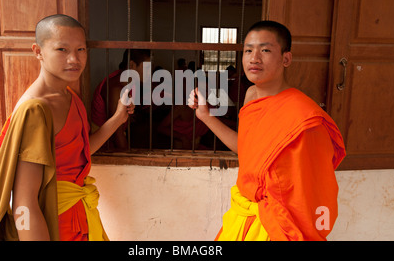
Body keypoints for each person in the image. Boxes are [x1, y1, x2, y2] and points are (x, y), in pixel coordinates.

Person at [0, 14, 134, 241]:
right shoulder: (35, 111)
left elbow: (81, 152)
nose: (74, 59)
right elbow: (24, 204)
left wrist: (117, 118)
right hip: (50, 227)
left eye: (81, 50)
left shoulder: (70, 97)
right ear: (38, 51)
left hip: (80, 217)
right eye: (62, 50)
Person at [188, 20, 346, 241]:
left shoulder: (304, 119)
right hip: (243, 214)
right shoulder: (251, 95)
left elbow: (314, 189)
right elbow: (247, 150)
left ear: (286, 58)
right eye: (248, 50)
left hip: (279, 225)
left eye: (265, 50)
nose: (254, 58)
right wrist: (205, 116)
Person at [91, 49, 150, 150]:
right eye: (147, 68)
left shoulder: (128, 82)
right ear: (132, 65)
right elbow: (117, 135)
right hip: (102, 145)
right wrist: (129, 160)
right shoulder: (116, 88)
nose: (150, 72)